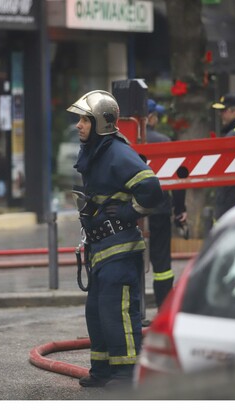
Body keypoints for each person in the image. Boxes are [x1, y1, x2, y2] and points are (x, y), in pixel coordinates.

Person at [68, 90, 163, 387]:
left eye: (84, 119)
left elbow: (150, 188)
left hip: (120, 249)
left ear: (100, 122)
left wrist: (127, 212)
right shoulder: (97, 151)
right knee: (97, 311)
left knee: (117, 312)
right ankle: (104, 369)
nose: (78, 125)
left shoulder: (117, 153)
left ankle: (126, 372)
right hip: (101, 249)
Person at [145, 99, 187, 308]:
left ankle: (136, 310)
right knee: (162, 264)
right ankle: (163, 308)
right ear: (150, 118)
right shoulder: (163, 141)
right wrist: (180, 209)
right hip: (159, 211)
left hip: (130, 214)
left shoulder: (123, 140)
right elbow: (179, 179)